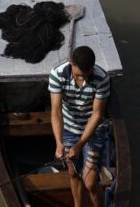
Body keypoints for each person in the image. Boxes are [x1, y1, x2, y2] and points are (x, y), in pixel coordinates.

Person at [48, 45, 111, 207]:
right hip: (69, 129)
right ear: (71, 63)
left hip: (94, 130)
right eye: (78, 75)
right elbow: (56, 112)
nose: (83, 78)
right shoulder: (57, 75)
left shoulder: (101, 78)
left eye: (86, 74)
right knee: (73, 173)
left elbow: (97, 114)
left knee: (90, 182)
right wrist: (59, 144)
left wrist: (80, 144)